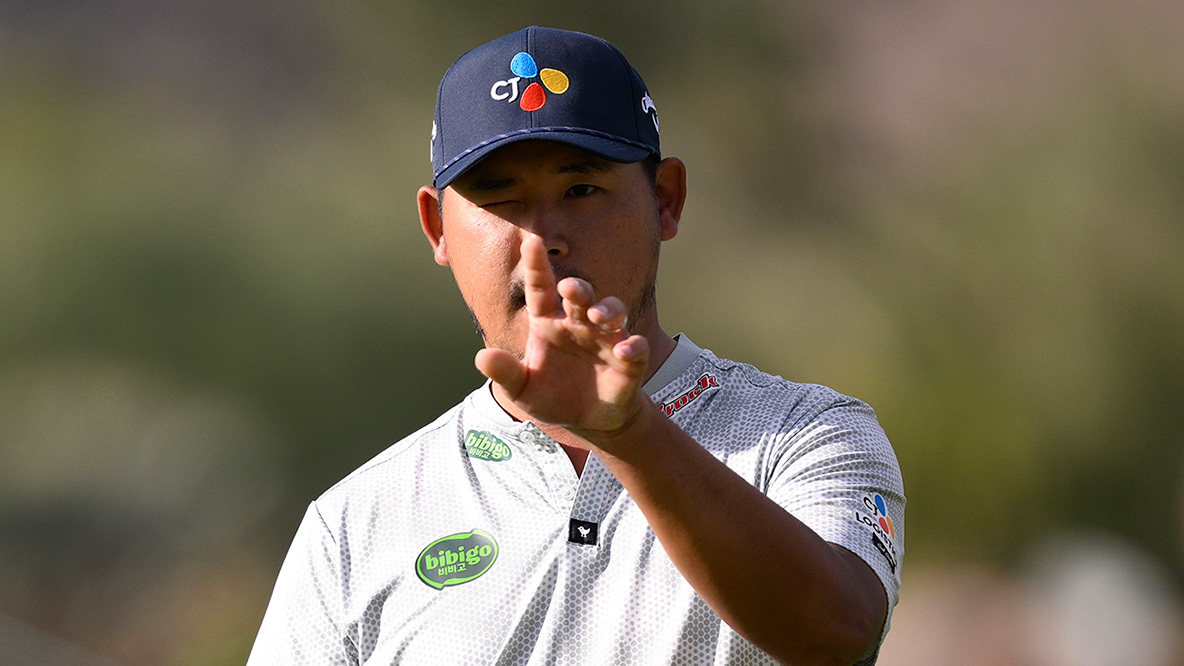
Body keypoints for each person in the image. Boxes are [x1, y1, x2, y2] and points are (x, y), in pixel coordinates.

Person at [247, 25, 904, 666]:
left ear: (666, 200)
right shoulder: (355, 523)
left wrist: (628, 433)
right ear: (436, 227)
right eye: (498, 198)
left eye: (581, 190)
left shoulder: (805, 434)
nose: (543, 239)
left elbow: (834, 636)